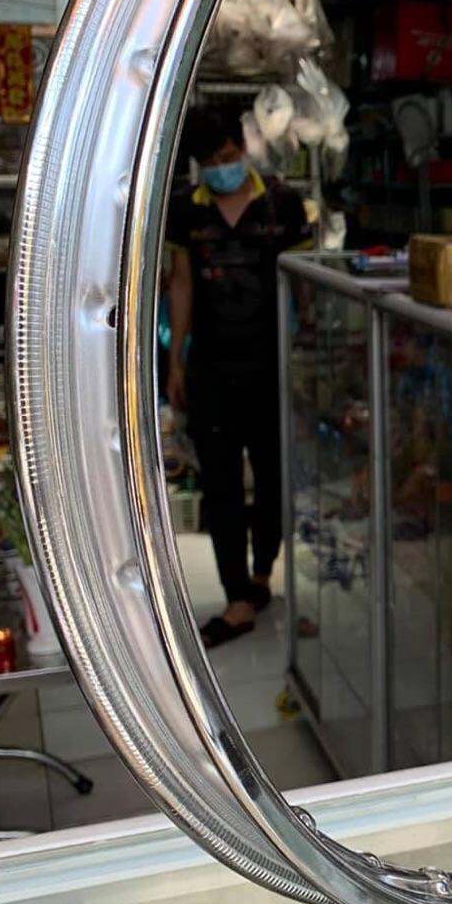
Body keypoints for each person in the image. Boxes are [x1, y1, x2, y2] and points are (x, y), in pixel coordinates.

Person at [165, 105, 308, 648]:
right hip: (211, 368)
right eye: (210, 162)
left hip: (271, 365)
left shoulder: (283, 204)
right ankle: (235, 599)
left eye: (227, 156)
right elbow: (181, 283)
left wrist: (307, 351)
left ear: (243, 149)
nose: (221, 168)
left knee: (272, 477)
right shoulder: (187, 209)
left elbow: (305, 282)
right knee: (221, 482)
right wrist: (176, 359)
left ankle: (261, 574)